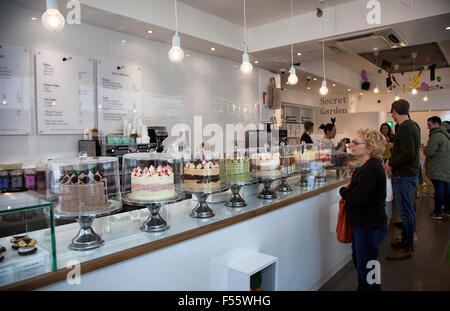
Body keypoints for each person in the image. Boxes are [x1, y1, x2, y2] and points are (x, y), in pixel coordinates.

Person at [339, 128, 387, 291]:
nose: (351, 145)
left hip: (369, 227)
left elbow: (357, 200)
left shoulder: (370, 170)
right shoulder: (368, 167)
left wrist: (344, 191)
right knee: (364, 266)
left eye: (356, 143)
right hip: (367, 226)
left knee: (367, 270)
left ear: (370, 148)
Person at [385, 100, 420, 260]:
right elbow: (408, 149)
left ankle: (406, 247)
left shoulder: (405, 128)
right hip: (409, 173)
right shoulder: (412, 125)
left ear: (394, 111)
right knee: (408, 211)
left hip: (404, 175)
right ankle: (407, 241)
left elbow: (408, 153)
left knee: (405, 213)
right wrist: (394, 146)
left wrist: (391, 163)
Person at [424, 116, 450, 219]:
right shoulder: (446, 135)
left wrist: (425, 148)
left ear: (436, 124)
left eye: (429, 125)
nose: (428, 127)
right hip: (445, 167)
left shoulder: (436, 136)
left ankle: (437, 212)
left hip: (437, 167)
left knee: (439, 190)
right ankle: (447, 209)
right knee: (446, 189)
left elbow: (429, 151)